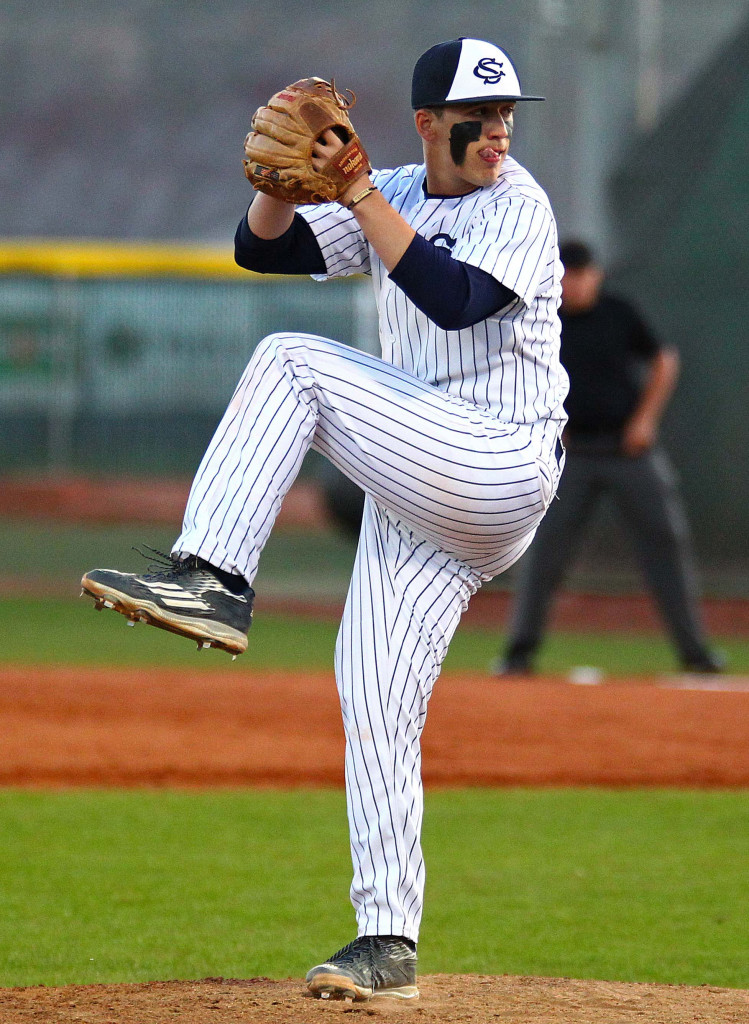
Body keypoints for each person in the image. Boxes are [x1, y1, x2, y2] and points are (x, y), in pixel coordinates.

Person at [81, 38, 568, 1000]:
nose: (500, 130)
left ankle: (211, 577)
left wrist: (354, 195)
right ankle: (387, 943)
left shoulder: (520, 203)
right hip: (420, 476)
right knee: (373, 691)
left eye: (509, 112)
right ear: (430, 124)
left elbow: (457, 298)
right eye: (480, 117)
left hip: (498, 460)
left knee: (290, 366)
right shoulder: (391, 185)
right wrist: (273, 183)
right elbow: (259, 248)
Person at [494, 239, 723, 676]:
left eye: (582, 274)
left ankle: (695, 654)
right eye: (567, 274)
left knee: (664, 543)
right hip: (570, 453)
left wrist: (646, 420)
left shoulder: (619, 311)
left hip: (628, 450)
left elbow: (664, 359)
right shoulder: (544, 319)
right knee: (544, 550)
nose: (575, 283)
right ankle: (518, 655)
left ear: (595, 275)